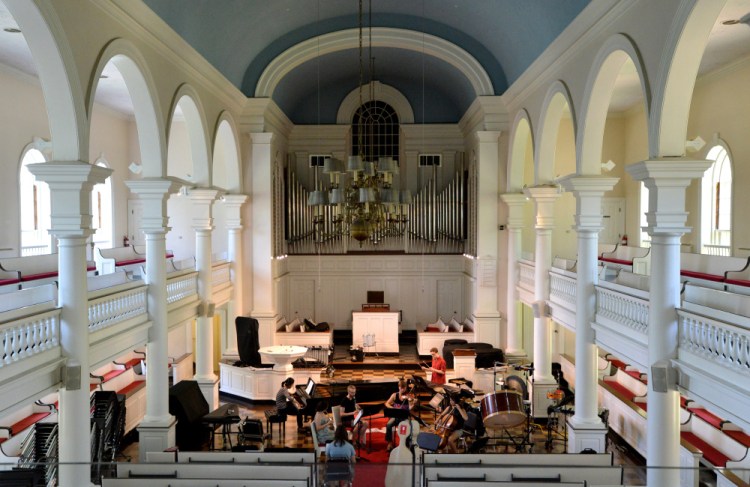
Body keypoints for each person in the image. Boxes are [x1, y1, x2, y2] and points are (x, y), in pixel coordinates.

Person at [384, 379, 416, 451]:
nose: (401, 389)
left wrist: (413, 404)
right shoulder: (395, 395)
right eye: (400, 387)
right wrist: (393, 408)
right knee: (389, 424)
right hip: (396, 416)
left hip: (405, 417)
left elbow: (410, 408)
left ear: (405, 388)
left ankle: (406, 443)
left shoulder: (409, 396)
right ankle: (389, 443)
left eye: (403, 388)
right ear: (398, 387)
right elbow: (387, 403)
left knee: (408, 426)